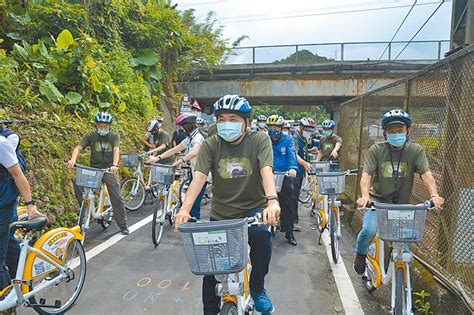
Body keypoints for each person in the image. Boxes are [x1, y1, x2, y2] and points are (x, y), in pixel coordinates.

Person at [175, 94, 280, 314]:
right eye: (221, 119)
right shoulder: (211, 144)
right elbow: (199, 177)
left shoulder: (259, 140)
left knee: (262, 237)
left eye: (233, 119)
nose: (226, 124)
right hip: (222, 214)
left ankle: (258, 287)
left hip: (253, 210)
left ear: (246, 122)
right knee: (211, 269)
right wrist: (184, 209)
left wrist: (272, 201)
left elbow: (266, 171)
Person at [352, 109, 445, 274]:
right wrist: (365, 196)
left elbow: (426, 174)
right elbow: (366, 176)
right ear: (385, 133)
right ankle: (360, 253)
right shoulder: (376, 150)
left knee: (405, 242)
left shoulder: (415, 150)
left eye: (400, 131)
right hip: (378, 202)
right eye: (392, 131)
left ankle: (402, 282)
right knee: (368, 231)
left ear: (407, 131)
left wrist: (434, 195)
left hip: (402, 205)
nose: (396, 134)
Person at [67, 112, 129, 235]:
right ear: (96, 125)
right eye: (100, 125)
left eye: (105, 126)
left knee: (116, 195)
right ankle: (85, 210)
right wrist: (73, 159)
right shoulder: (91, 135)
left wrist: (114, 165)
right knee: (76, 181)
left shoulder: (114, 136)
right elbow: (78, 148)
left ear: (109, 126)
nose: (103, 128)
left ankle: (123, 225)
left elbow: (116, 150)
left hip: (108, 169)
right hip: (94, 169)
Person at [0, 124, 44, 294]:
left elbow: (18, 175)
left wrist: (30, 205)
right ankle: (23, 278)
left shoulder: (2, 144)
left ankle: (6, 305)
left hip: (5, 197)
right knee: (9, 239)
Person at [148, 113, 206, 220]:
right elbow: (174, 149)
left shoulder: (198, 137)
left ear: (188, 125)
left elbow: (194, 152)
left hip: (202, 175)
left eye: (182, 126)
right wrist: (158, 158)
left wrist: (179, 161)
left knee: (194, 203)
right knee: (190, 198)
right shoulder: (189, 138)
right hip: (194, 172)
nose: (182, 129)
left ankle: (193, 227)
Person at [266, 115, 299, 245]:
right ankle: (267, 227)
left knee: (287, 204)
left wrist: (293, 168)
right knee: (265, 202)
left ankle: (289, 233)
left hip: (284, 175)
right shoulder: (265, 139)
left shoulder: (288, 139)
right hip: (268, 175)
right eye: (270, 127)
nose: (272, 130)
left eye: (275, 127)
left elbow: (292, 154)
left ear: (281, 129)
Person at [292, 118, 316, 231]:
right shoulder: (295, 139)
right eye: (307, 130)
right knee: (293, 197)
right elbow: (294, 155)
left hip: (300, 172)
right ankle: (293, 221)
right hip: (294, 172)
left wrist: (310, 151)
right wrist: (305, 163)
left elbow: (303, 151)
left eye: (311, 130)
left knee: (295, 195)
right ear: (300, 128)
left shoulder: (303, 139)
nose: (309, 132)